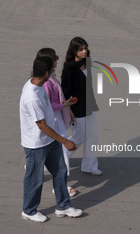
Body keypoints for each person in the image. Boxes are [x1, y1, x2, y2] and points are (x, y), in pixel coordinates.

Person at [19, 56, 83, 222]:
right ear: (47, 73)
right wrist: (64, 141)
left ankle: (63, 206)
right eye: (53, 69)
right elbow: (41, 125)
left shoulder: (39, 85)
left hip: (49, 139)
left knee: (60, 171)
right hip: (36, 143)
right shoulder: (32, 96)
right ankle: (29, 210)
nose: (54, 71)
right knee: (35, 179)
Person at [36, 48, 77, 197]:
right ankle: (61, 187)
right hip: (53, 121)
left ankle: (37, 168)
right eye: (55, 60)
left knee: (51, 152)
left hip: (57, 119)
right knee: (62, 154)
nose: (57, 62)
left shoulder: (51, 77)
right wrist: (64, 105)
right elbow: (49, 105)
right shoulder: (47, 84)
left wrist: (68, 109)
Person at [61, 37, 102, 176]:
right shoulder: (69, 69)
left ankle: (89, 166)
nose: (85, 51)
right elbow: (65, 92)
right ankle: (55, 158)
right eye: (81, 49)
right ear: (74, 51)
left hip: (90, 105)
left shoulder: (87, 62)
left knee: (92, 137)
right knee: (78, 138)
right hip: (77, 109)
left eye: (85, 48)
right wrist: (69, 110)